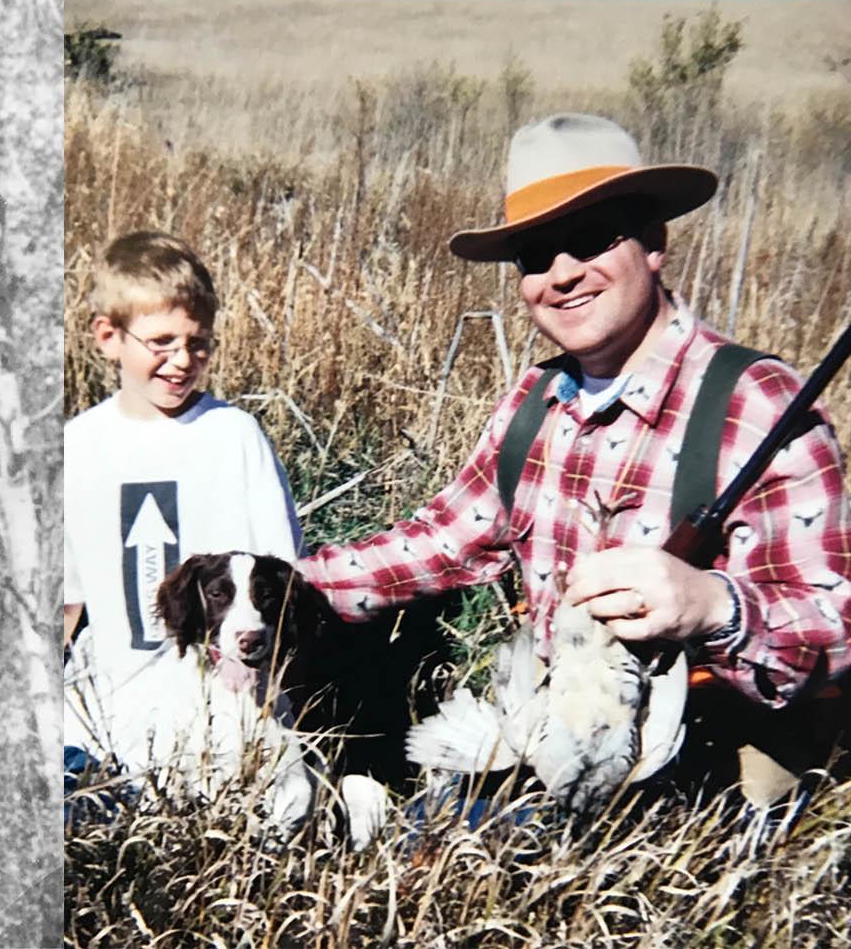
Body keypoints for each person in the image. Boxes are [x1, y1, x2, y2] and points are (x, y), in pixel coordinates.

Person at [297, 112, 851, 801]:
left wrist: (714, 605)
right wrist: (274, 586)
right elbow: (440, 542)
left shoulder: (757, 401)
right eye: (535, 255)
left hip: (715, 764)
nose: (561, 274)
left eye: (590, 239)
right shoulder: (534, 400)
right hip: (559, 735)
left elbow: (835, 628)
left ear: (654, 243)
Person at [63, 230, 304, 776]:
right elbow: (68, 602)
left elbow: (283, 581)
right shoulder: (76, 446)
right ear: (108, 337)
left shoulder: (235, 436)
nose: (182, 360)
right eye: (161, 342)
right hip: (109, 716)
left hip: (225, 713)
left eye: (198, 344)